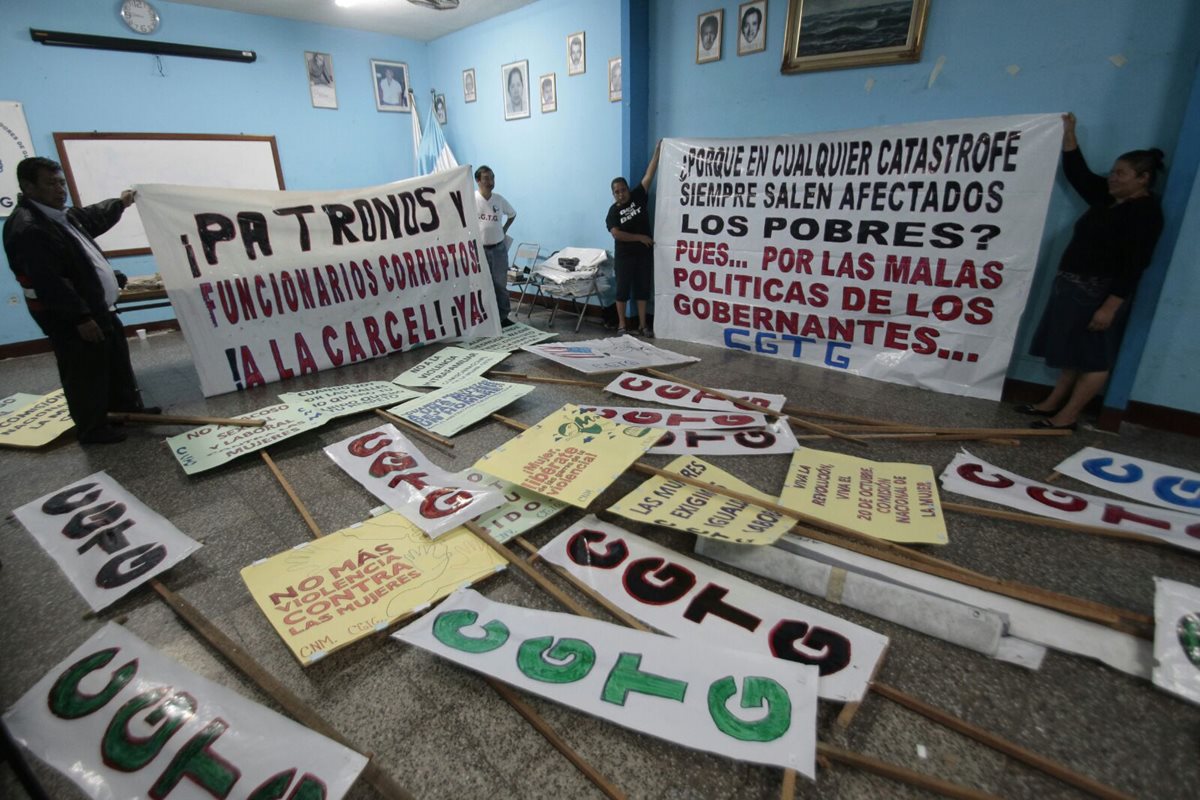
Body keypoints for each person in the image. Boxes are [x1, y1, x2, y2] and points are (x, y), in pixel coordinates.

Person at [1019, 113, 1165, 430]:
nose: (1112, 178)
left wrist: (1110, 306)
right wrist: (1069, 134)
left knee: (1094, 356)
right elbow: (1078, 174)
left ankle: (1067, 416)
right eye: (1113, 172)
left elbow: (1135, 262)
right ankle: (1052, 402)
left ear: (1143, 178)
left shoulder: (1145, 213)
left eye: (1121, 174)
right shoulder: (1107, 199)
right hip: (1072, 287)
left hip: (1099, 293)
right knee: (1074, 352)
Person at [3, 157, 161, 444]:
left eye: (61, 182)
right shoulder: (29, 228)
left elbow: (93, 217)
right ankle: (93, 427)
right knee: (85, 371)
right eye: (51, 183)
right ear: (28, 187)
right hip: (71, 316)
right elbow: (49, 282)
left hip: (97, 308)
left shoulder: (60, 216)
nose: (60, 189)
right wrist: (80, 318)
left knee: (114, 360)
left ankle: (126, 411)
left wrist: (121, 203)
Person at [606, 140, 663, 337]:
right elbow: (616, 233)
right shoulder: (613, 212)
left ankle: (642, 324)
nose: (621, 194)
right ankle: (622, 324)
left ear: (628, 189)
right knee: (622, 291)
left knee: (642, 289)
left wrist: (657, 151)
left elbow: (649, 174)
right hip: (624, 256)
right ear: (613, 194)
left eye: (623, 190)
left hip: (643, 254)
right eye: (617, 192)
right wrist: (640, 237)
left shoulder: (639, 196)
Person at [474, 166, 518, 327]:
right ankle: (484, 317)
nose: (490, 182)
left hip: (498, 248)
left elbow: (512, 214)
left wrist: (504, 229)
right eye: (486, 178)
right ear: (478, 180)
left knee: (500, 284)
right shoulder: (472, 199)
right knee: (481, 283)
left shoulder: (499, 199)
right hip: (479, 249)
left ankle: (503, 316)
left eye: (492, 178)